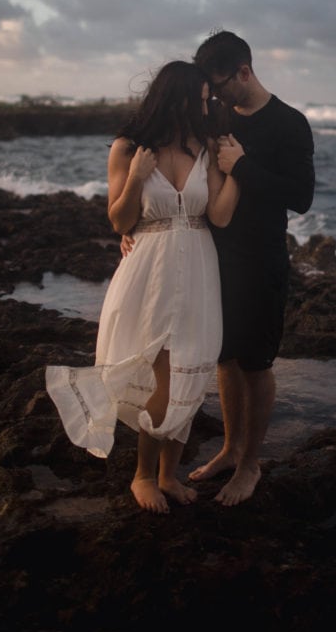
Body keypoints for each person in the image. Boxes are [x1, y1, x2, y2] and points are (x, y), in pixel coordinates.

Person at [46, 61, 239, 514]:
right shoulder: (127, 147)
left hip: (197, 269)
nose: (206, 105)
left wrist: (237, 172)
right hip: (148, 272)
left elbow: (220, 216)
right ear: (178, 96)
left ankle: (169, 475)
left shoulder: (204, 148)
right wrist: (136, 176)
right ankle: (142, 476)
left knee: (191, 366)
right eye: (201, 97)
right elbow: (119, 220)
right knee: (160, 375)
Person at [188, 30, 315, 505]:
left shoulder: (289, 123)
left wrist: (242, 166)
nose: (217, 95)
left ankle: (249, 465)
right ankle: (228, 448)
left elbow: (300, 198)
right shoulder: (219, 116)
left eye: (221, 84)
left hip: (262, 257)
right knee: (224, 357)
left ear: (245, 70)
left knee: (256, 363)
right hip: (214, 252)